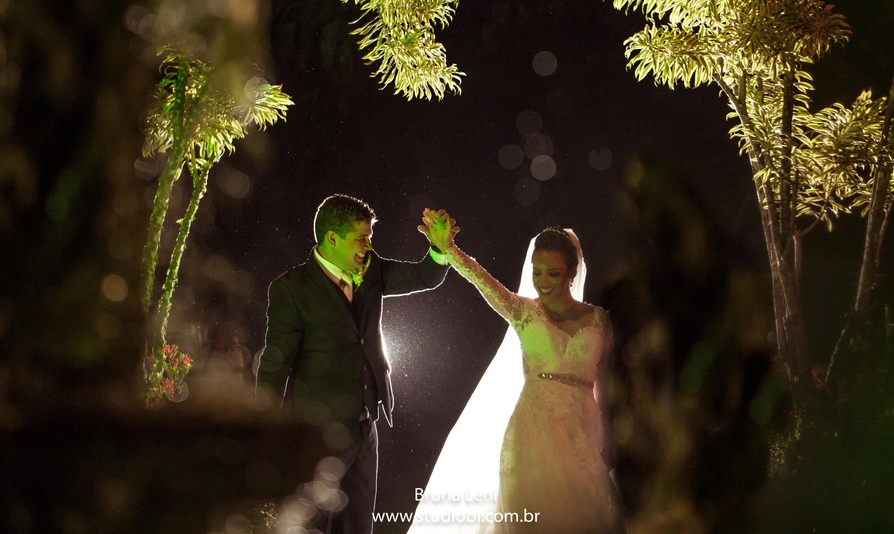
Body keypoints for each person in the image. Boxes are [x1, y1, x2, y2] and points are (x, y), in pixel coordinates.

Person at [415, 208, 625, 534]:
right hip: (533, 431)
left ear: (572, 272)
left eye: (552, 274)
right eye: (537, 272)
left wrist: (609, 439)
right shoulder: (523, 312)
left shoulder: (600, 321)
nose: (542, 282)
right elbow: (480, 279)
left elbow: (606, 384)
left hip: (583, 433)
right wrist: (450, 250)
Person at [255, 194, 453, 534]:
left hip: (366, 427)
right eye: (361, 238)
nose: (368, 246)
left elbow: (423, 277)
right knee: (314, 525)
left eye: (370, 237)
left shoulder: (372, 268)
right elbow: (275, 364)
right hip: (318, 432)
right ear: (332, 238)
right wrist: (264, 432)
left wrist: (439, 249)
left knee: (359, 525)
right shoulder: (290, 289)